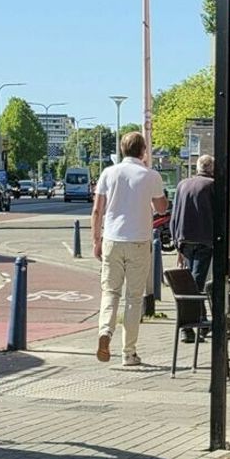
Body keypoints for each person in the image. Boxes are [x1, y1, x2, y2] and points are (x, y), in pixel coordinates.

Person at [92, 131, 168, 367]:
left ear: (123, 150)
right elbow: (162, 207)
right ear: (143, 151)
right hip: (139, 240)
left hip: (112, 239)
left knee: (110, 292)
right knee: (134, 298)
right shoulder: (150, 175)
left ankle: (105, 331)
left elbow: (97, 210)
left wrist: (96, 240)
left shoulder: (109, 173)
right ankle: (129, 352)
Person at [171, 154, 215, 343]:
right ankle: (188, 328)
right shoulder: (212, 185)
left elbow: (175, 212)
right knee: (196, 285)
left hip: (184, 239)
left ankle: (202, 322)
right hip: (204, 239)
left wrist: (176, 243)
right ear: (211, 169)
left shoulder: (182, 185)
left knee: (192, 283)